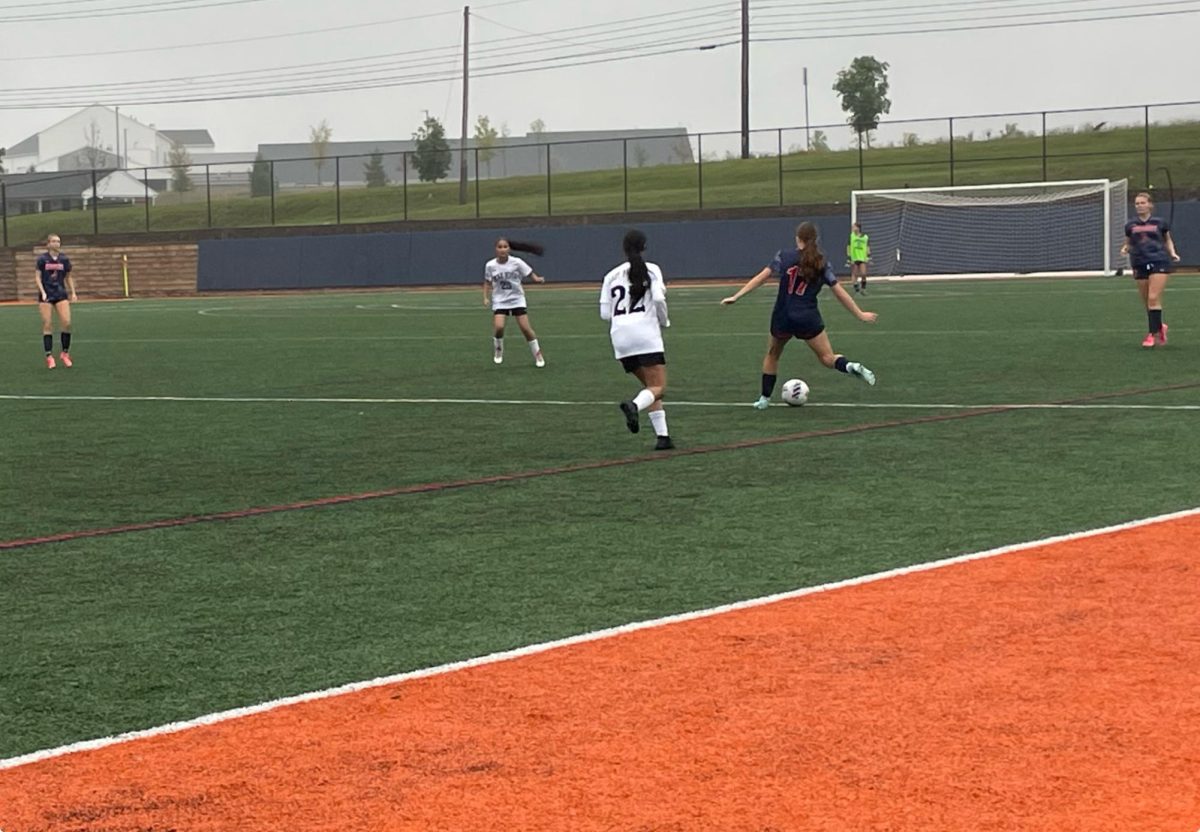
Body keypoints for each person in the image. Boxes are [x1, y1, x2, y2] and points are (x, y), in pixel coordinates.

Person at [722, 221, 877, 409]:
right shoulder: (821, 263)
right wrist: (859, 314)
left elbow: (761, 277)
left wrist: (737, 296)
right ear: (815, 239)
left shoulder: (784, 256)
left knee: (772, 355)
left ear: (798, 238)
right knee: (827, 357)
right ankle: (850, 366)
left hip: (783, 316)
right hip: (807, 317)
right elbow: (839, 292)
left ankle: (764, 399)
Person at [601, 229, 673, 450]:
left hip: (620, 338)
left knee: (649, 388)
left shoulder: (610, 276)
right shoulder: (651, 269)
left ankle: (663, 437)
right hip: (645, 335)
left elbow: (605, 314)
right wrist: (664, 320)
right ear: (644, 247)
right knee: (659, 387)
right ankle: (633, 405)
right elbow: (659, 299)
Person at [1121, 192, 1180, 348]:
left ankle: (1151, 335)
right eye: (1137, 203)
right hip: (1139, 262)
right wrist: (1125, 248)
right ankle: (1160, 327)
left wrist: (1172, 253)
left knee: (1153, 297)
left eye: (1142, 203)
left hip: (1159, 261)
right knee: (1147, 301)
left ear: (1150, 205)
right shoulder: (1130, 225)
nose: (1139, 206)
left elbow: (1167, 239)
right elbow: (1128, 242)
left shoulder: (1160, 222)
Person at [483, 237, 547, 367]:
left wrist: (536, 279)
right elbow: (487, 282)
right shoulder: (490, 265)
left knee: (526, 329)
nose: (502, 249)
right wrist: (485, 297)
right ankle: (498, 349)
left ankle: (537, 354)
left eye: (505, 247)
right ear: (495, 249)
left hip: (517, 299)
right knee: (499, 327)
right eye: (500, 247)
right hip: (500, 300)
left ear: (509, 249)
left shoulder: (516, 262)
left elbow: (529, 272)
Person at [35, 233, 77, 369]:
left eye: (58, 241)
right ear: (48, 244)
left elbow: (69, 276)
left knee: (67, 322)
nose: (56, 243)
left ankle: (65, 353)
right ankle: (49, 356)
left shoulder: (64, 259)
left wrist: (73, 292)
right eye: (53, 241)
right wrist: (42, 292)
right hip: (46, 295)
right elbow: (37, 277)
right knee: (47, 324)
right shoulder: (42, 259)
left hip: (60, 293)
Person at [847, 222, 870, 294]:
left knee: (863, 274)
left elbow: (867, 246)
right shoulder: (851, 236)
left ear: (858, 228)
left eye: (854, 227)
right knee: (855, 273)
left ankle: (863, 288)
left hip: (862, 258)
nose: (853, 228)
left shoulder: (865, 237)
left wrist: (868, 255)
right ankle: (856, 287)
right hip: (854, 257)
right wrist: (849, 257)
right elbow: (848, 246)